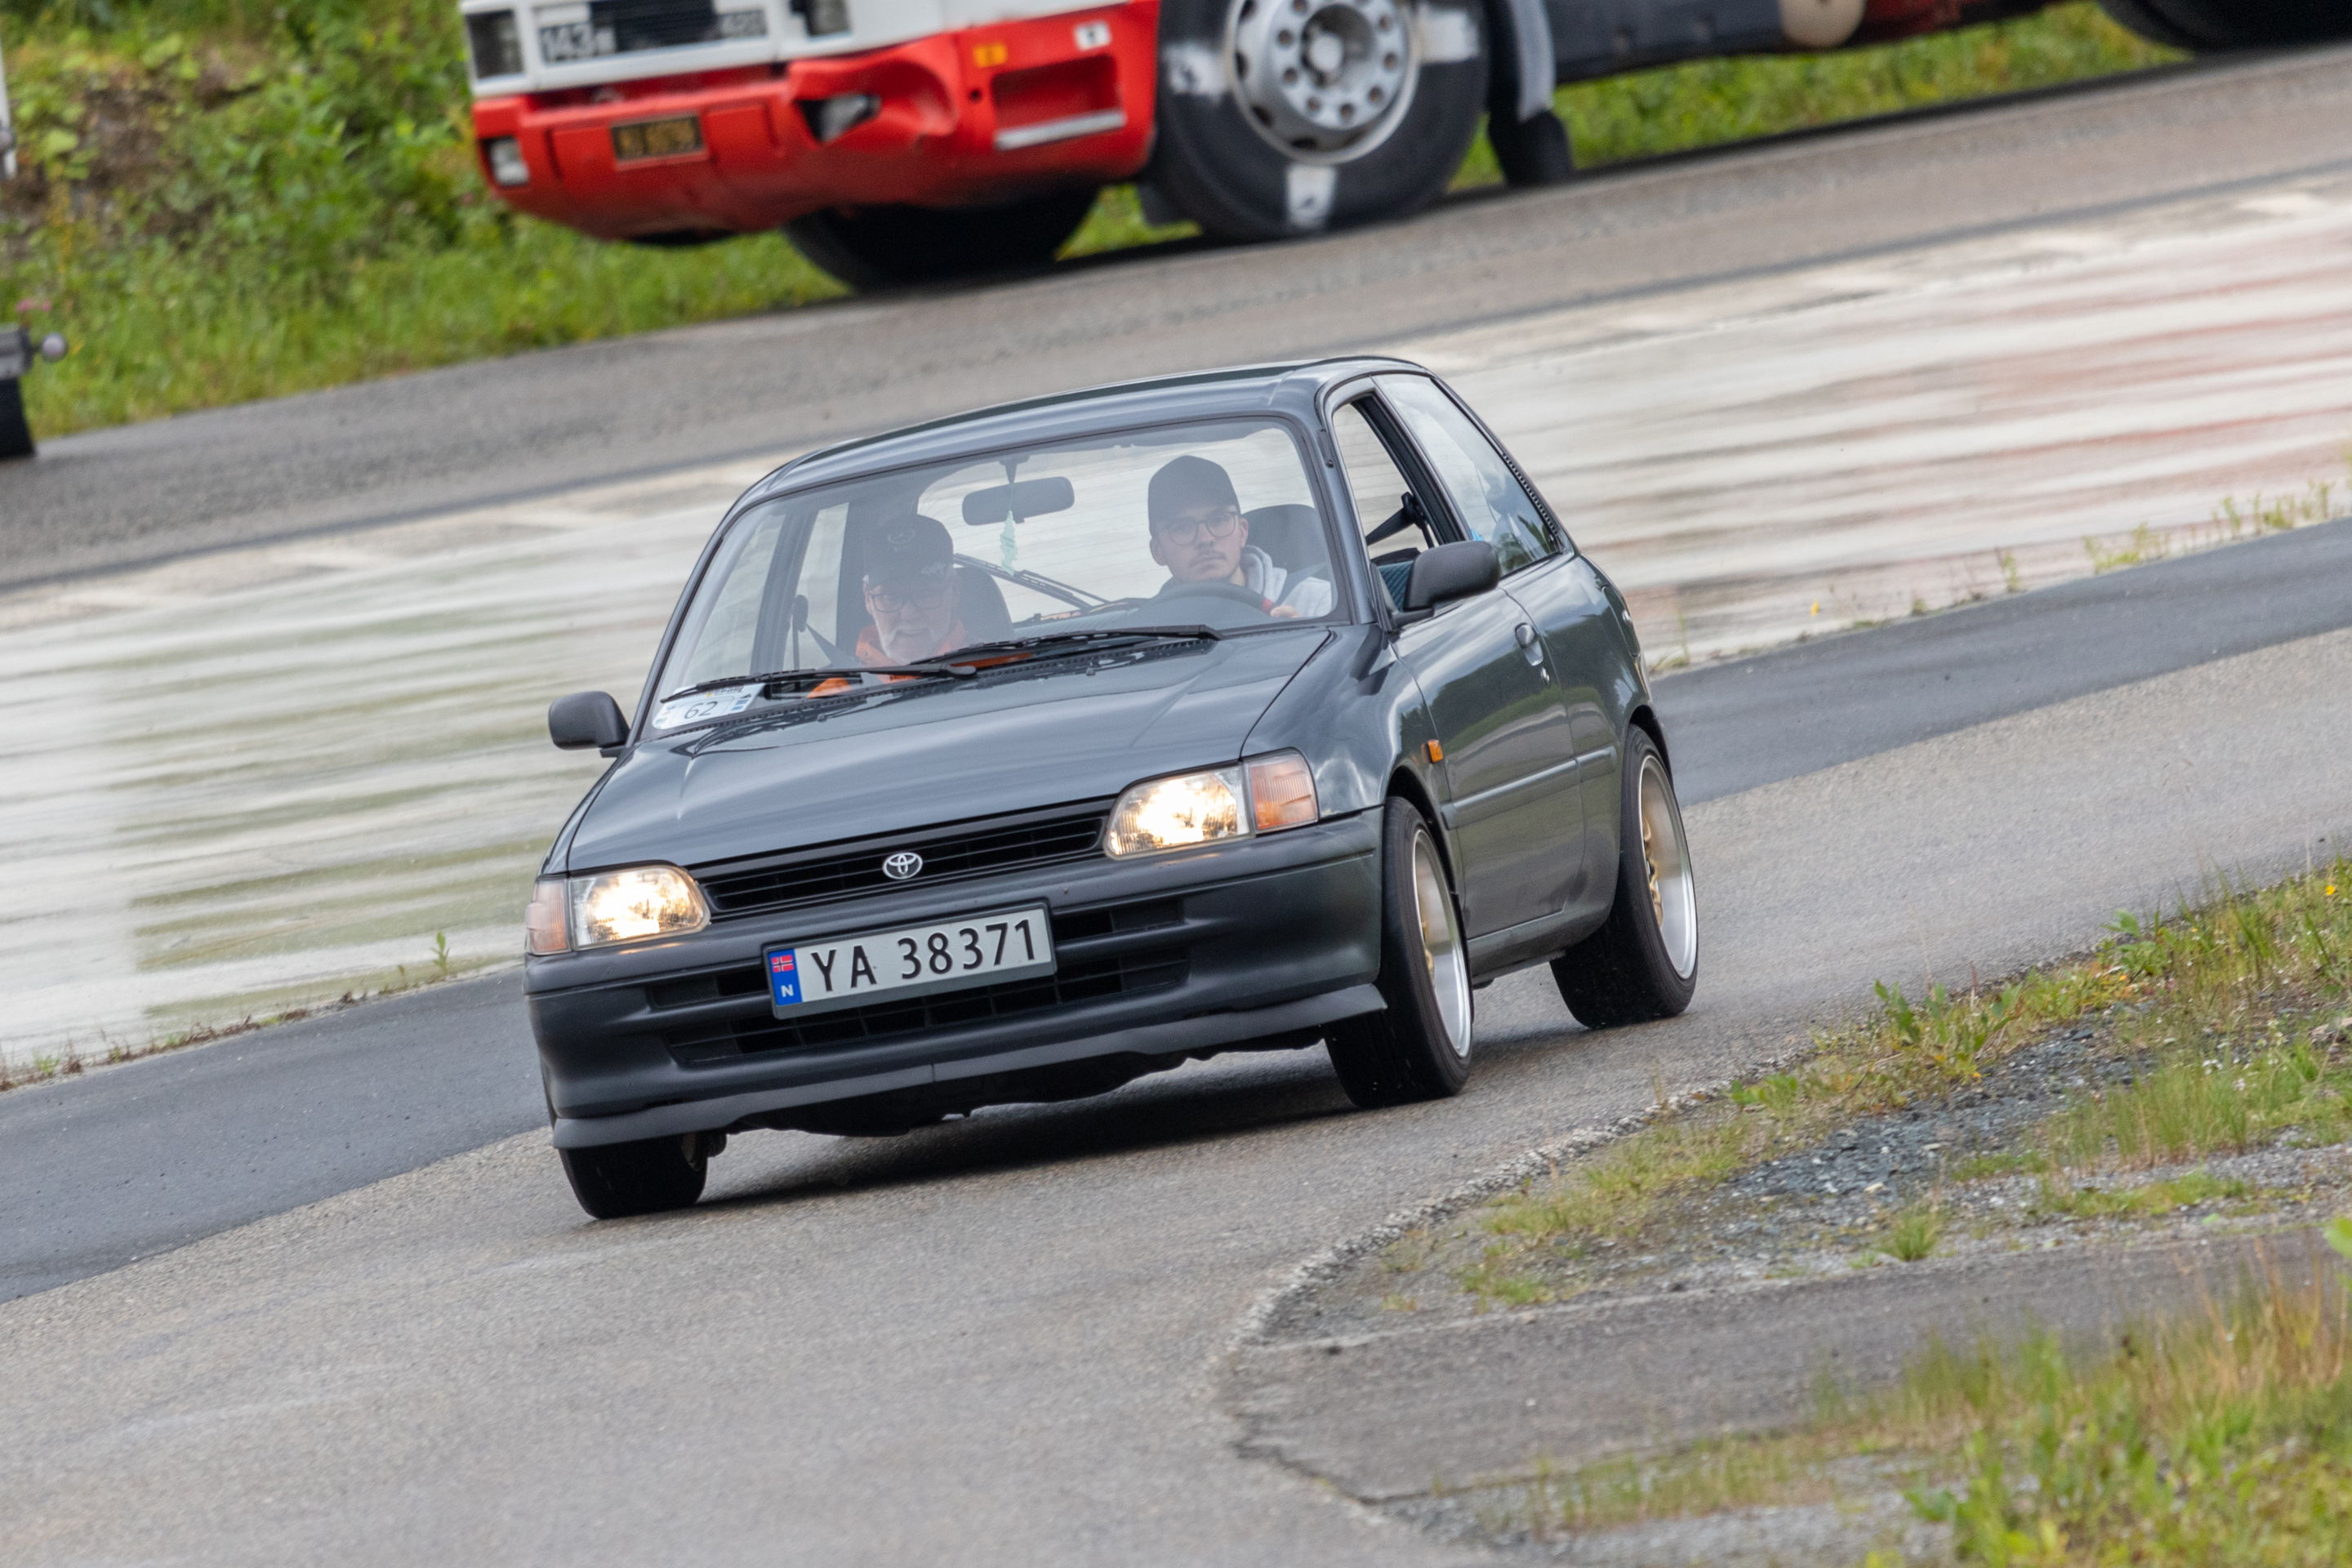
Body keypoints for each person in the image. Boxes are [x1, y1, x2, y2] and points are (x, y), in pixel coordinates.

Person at [1147, 455, 1334, 618]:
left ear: (1242, 532)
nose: (1205, 539)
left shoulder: (1320, 604)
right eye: (1182, 527)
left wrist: (1308, 639)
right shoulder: (1146, 630)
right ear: (1157, 551)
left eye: (1218, 520)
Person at [854, 514, 968, 666]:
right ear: (868, 599)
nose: (909, 615)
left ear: (954, 592)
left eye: (925, 595)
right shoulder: (841, 680)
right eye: (890, 598)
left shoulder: (993, 667)